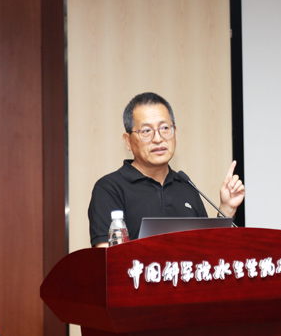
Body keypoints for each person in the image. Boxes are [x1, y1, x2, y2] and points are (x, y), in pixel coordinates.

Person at [88, 92, 244, 247]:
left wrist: (227, 209)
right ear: (128, 141)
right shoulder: (109, 189)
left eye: (164, 128)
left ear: (175, 133)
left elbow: (210, 251)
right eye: (146, 131)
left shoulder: (187, 187)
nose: (158, 139)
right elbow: (105, 256)